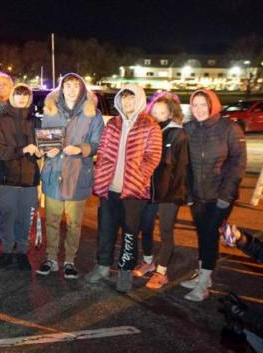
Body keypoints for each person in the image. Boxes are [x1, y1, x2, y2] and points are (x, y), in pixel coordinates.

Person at [87, 84, 162, 293]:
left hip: (133, 191)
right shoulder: (113, 124)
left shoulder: (150, 125)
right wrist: (101, 172)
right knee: (106, 229)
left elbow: (153, 157)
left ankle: (126, 270)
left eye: (131, 98)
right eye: (124, 98)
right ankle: (102, 265)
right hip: (109, 188)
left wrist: (139, 176)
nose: (127, 102)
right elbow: (101, 152)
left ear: (138, 100)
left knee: (130, 232)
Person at [35, 73, 104, 279]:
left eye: (76, 85)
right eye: (68, 85)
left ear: (82, 89)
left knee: (74, 223)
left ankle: (69, 260)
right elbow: (45, 139)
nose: (72, 89)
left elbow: (97, 143)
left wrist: (82, 148)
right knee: (52, 221)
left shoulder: (94, 114)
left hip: (77, 174)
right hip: (54, 173)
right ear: (61, 88)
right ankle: (51, 259)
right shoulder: (50, 110)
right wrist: (48, 150)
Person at [181, 88, 246, 302]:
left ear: (212, 105)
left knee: (209, 235)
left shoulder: (229, 128)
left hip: (220, 195)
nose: (199, 109)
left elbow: (238, 164)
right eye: (195, 105)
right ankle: (204, 276)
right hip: (197, 196)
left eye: (203, 104)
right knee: (203, 234)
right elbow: (185, 166)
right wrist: (189, 194)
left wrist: (226, 196)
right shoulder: (188, 128)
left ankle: (203, 285)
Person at [133, 93, 189, 289]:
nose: (157, 116)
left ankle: (162, 272)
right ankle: (149, 261)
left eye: (162, 112)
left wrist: (179, 195)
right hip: (149, 191)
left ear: (171, 113)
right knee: (145, 227)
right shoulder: (149, 131)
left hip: (169, 194)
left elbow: (181, 168)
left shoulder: (177, 134)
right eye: (154, 112)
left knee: (166, 232)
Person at [0, 84, 42, 271]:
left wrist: (42, 151)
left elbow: (42, 144)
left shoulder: (35, 120)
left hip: (29, 179)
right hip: (8, 178)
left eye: (25, 95)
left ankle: (22, 251)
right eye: (18, 94)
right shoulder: (2, 120)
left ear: (29, 98)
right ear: (12, 97)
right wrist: (22, 150)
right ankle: (6, 250)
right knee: (8, 216)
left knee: (25, 218)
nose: (22, 98)